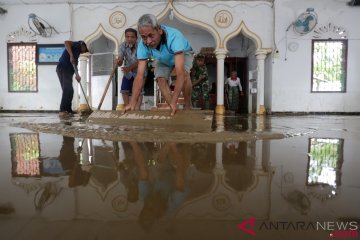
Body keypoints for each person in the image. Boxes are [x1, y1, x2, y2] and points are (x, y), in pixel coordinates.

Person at [124, 13, 194, 116]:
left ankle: (188, 106)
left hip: (184, 53)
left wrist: (175, 99)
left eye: (151, 36)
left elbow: (180, 74)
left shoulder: (174, 37)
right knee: (160, 79)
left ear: (159, 30)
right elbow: (139, 76)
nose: (148, 41)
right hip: (163, 58)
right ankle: (173, 108)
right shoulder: (142, 45)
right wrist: (132, 102)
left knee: (185, 75)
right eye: (144, 37)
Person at [56, 40, 89, 117]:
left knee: (70, 90)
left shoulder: (77, 53)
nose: (83, 52)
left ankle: (68, 110)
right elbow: (66, 42)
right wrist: (71, 55)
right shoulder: (78, 44)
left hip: (69, 71)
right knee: (67, 89)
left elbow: (75, 65)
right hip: (63, 68)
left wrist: (77, 75)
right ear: (83, 46)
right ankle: (62, 110)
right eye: (85, 50)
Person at [117, 28, 144, 110]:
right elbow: (120, 59)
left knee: (138, 91)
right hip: (128, 73)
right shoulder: (122, 46)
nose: (129, 39)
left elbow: (141, 61)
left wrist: (129, 68)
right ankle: (127, 108)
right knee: (124, 90)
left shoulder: (141, 45)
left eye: (132, 37)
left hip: (140, 71)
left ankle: (137, 109)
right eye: (127, 37)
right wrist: (119, 61)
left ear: (136, 38)